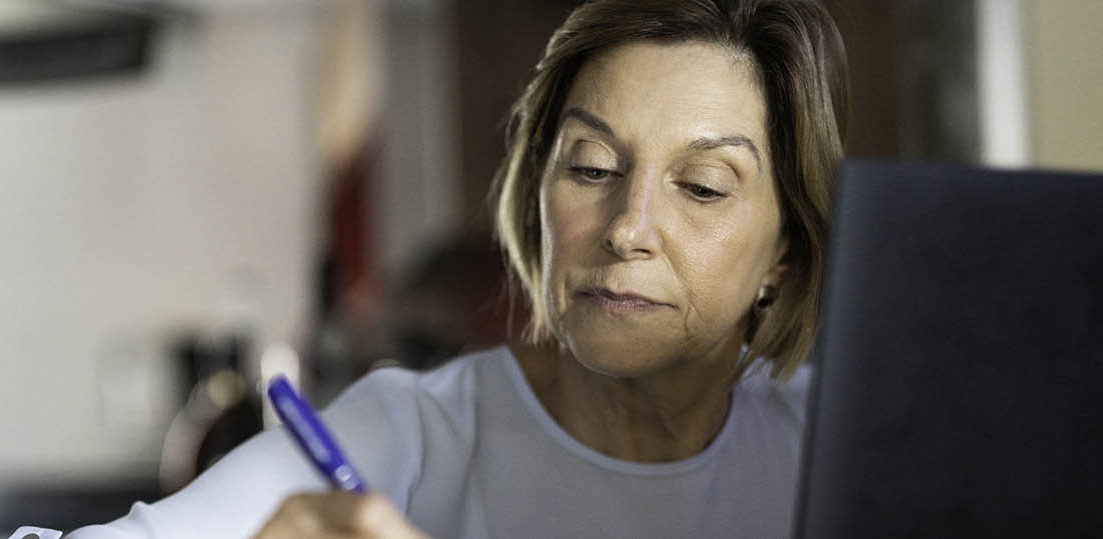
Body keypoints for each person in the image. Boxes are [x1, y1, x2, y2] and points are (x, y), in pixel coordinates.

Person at [59, 0, 846, 536]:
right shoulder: (408, 437)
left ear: (784, 248)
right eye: (591, 168)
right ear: (536, 188)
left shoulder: (841, 449)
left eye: (702, 186)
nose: (627, 229)